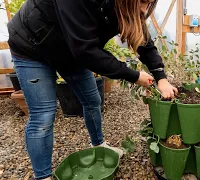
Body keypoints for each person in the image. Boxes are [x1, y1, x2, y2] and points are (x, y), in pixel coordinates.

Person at [7, 0, 178, 179]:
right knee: (43, 116)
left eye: (150, 3)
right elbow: (86, 50)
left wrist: (161, 77)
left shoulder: (127, 6)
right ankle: (43, 176)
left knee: (92, 101)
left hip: (71, 52)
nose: (144, 9)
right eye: (142, 1)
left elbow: (142, 39)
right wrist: (133, 75)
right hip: (32, 47)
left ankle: (99, 146)